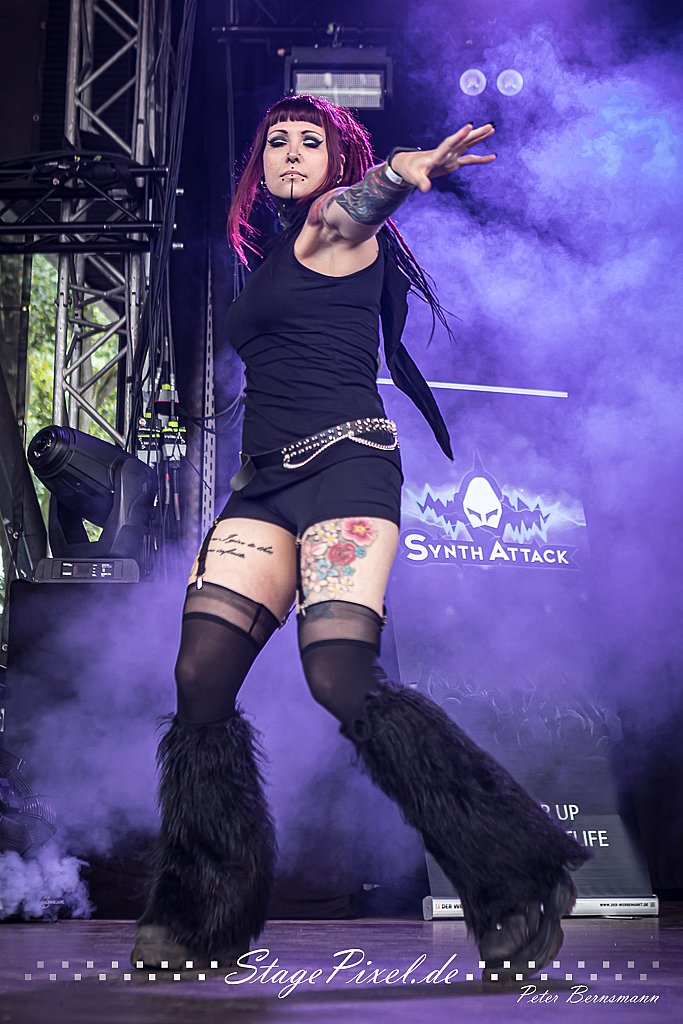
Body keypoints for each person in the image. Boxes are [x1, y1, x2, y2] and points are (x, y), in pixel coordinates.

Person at [132, 95, 588, 980]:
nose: (290, 153)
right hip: (262, 488)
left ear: (337, 163)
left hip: (345, 472)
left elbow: (355, 207)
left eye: (310, 142)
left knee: (338, 677)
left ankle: (513, 876)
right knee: (198, 680)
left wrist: (397, 174)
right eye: (275, 141)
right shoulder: (270, 257)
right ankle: (200, 914)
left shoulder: (331, 228)